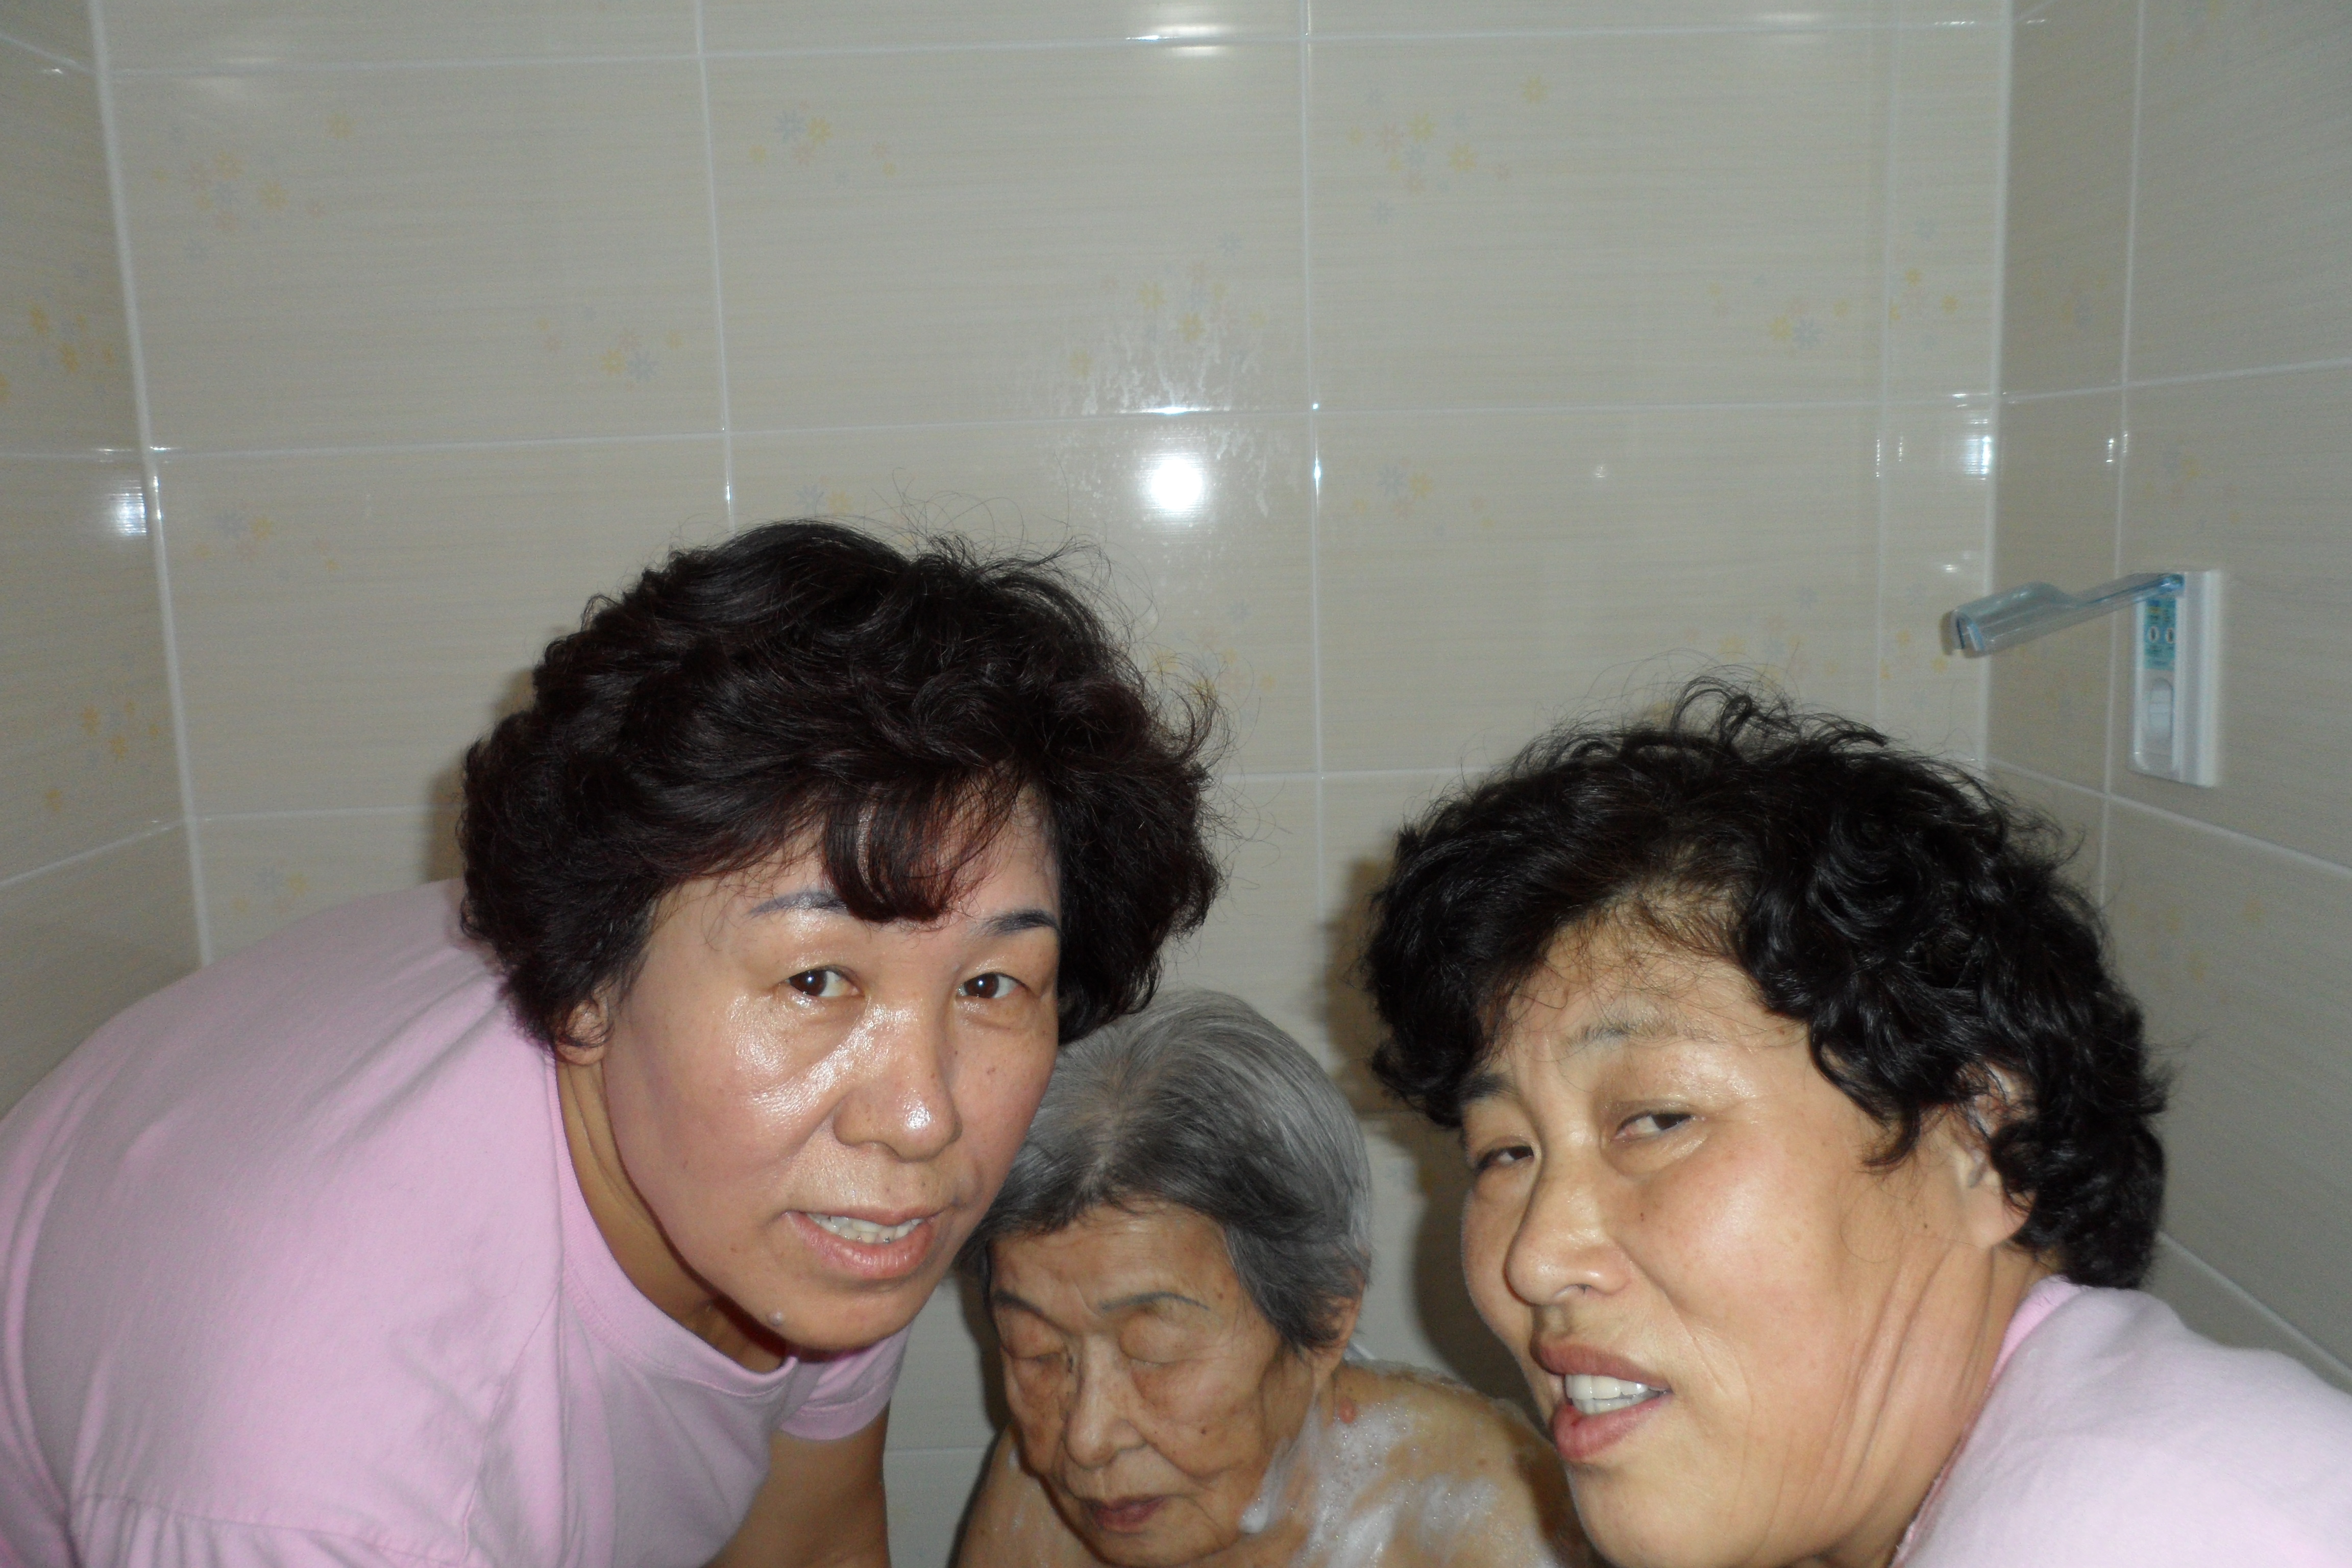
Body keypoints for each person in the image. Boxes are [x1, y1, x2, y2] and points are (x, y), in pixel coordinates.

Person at [0, 522, 1223, 1567]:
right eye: (815, 978)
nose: (924, 1116)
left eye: (993, 983)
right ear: (584, 984)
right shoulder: (327, 1470)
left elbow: (808, 1542)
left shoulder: (793, 1166)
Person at [1359, 676, 2352, 1568]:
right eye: (1505, 1151)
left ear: (1975, 1140)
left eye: (1655, 1119)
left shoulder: (2130, 1525)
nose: (1535, 1258)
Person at [953, 990, 1587, 1568]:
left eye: (1154, 1353)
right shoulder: (1041, 1486)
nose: (1087, 1441)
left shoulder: (1486, 1520)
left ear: (1326, 1315)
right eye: (1035, 1351)